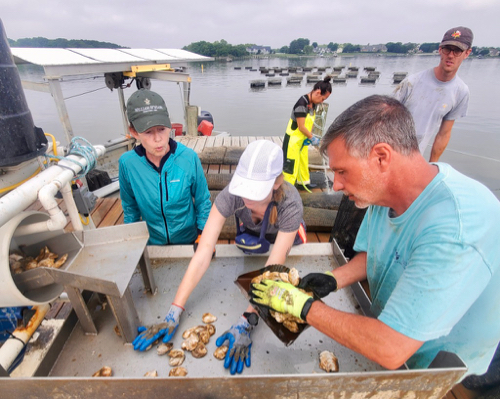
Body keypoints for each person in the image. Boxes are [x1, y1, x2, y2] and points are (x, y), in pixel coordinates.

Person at [251, 95, 500, 379]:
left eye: (342, 171)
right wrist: (333, 279)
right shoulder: (383, 194)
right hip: (395, 335)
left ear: (381, 157)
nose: (337, 185)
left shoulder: (455, 226)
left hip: (448, 370)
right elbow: (375, 254)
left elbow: (391, 347)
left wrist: (305, 307)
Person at [132, 140, 307, 374]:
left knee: (279, 268)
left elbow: (271, 270)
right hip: (255, 234)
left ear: (276, 183)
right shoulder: (232, 195)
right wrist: (175, 309)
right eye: (243, 189)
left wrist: (248, 320)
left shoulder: (291, 204)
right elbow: (204, 252)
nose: (245, 198)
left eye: (254, 192)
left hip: (284, 235)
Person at [119, 88, 211, 245]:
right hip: (152, 243)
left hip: (188, 239)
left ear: (169, 126)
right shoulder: (127, 163)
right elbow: (130, 208)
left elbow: (203, 201)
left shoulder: (189, 158)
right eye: (148, 132)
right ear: (134, 132)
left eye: (161, 129)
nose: (158, 139)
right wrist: (132, 241)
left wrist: (203, 234)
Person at [393, 26, 473, 162]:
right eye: (447, 49)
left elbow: (444, 134)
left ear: (467, 53)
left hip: (415, 159)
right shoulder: (411, 82)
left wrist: (433, 165)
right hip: (390, 152)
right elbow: (384, 120)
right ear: (440, 50)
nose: (451, 55)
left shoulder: (461, 92)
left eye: (457, 51)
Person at [282, 76, 332, 190]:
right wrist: (312, 138)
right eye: (323, 99)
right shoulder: (301, 104)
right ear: (318, 92)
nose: (322, 101)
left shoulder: (313, 104)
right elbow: (301, 127)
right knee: (290, 166)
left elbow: (310, 123)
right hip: (293, 141)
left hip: (303, 139)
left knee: (303, 162)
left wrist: (308, 137)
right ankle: (286, 189)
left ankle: (302, 183)